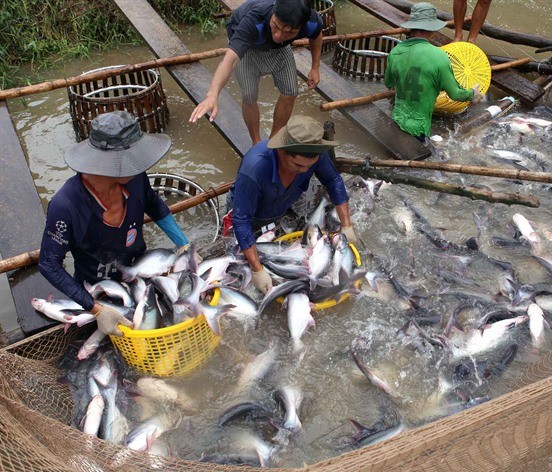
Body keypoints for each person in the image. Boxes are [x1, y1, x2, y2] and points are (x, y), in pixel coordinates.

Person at [38, 111, 191, 337]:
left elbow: (154, 204)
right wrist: (95, 309)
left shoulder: (136, 178)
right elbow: (49, 264)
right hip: (96, 288)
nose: (138, 164)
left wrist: (185, 245)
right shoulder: (66, 205)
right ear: (109, 162)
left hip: (141, 272)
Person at [223, 115, 357, 294]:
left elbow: (333, 180)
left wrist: (346, 225)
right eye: (298, 165)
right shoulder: (255, 168)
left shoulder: (316, 155)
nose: (305, 170)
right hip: (246, 213)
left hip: (280, 206)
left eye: (310, 166)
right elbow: (241, 220)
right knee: (234, 254)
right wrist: (257, 270)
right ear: (281, 151)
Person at [189, 0, 324, 145]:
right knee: (249, 95)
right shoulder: (253, 21)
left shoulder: (311, 21)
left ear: (301, 27)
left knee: (290, 91)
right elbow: (230, 60)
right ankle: (256, 142)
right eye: (275, 25)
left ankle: (274, 141)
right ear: (273, 13)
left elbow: (316, 35)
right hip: (248, 47)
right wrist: (213, 94)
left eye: (289, 32)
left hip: (279, 49)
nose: (278, 35)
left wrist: (315, 68)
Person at [384, 2, 483, 140]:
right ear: (432, 30)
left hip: (397, 119)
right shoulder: (439, 57)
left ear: (412, 27)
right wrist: (472, 94)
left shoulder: (395, 52)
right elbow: (455, 94)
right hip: (418, 128)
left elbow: (388, 82)